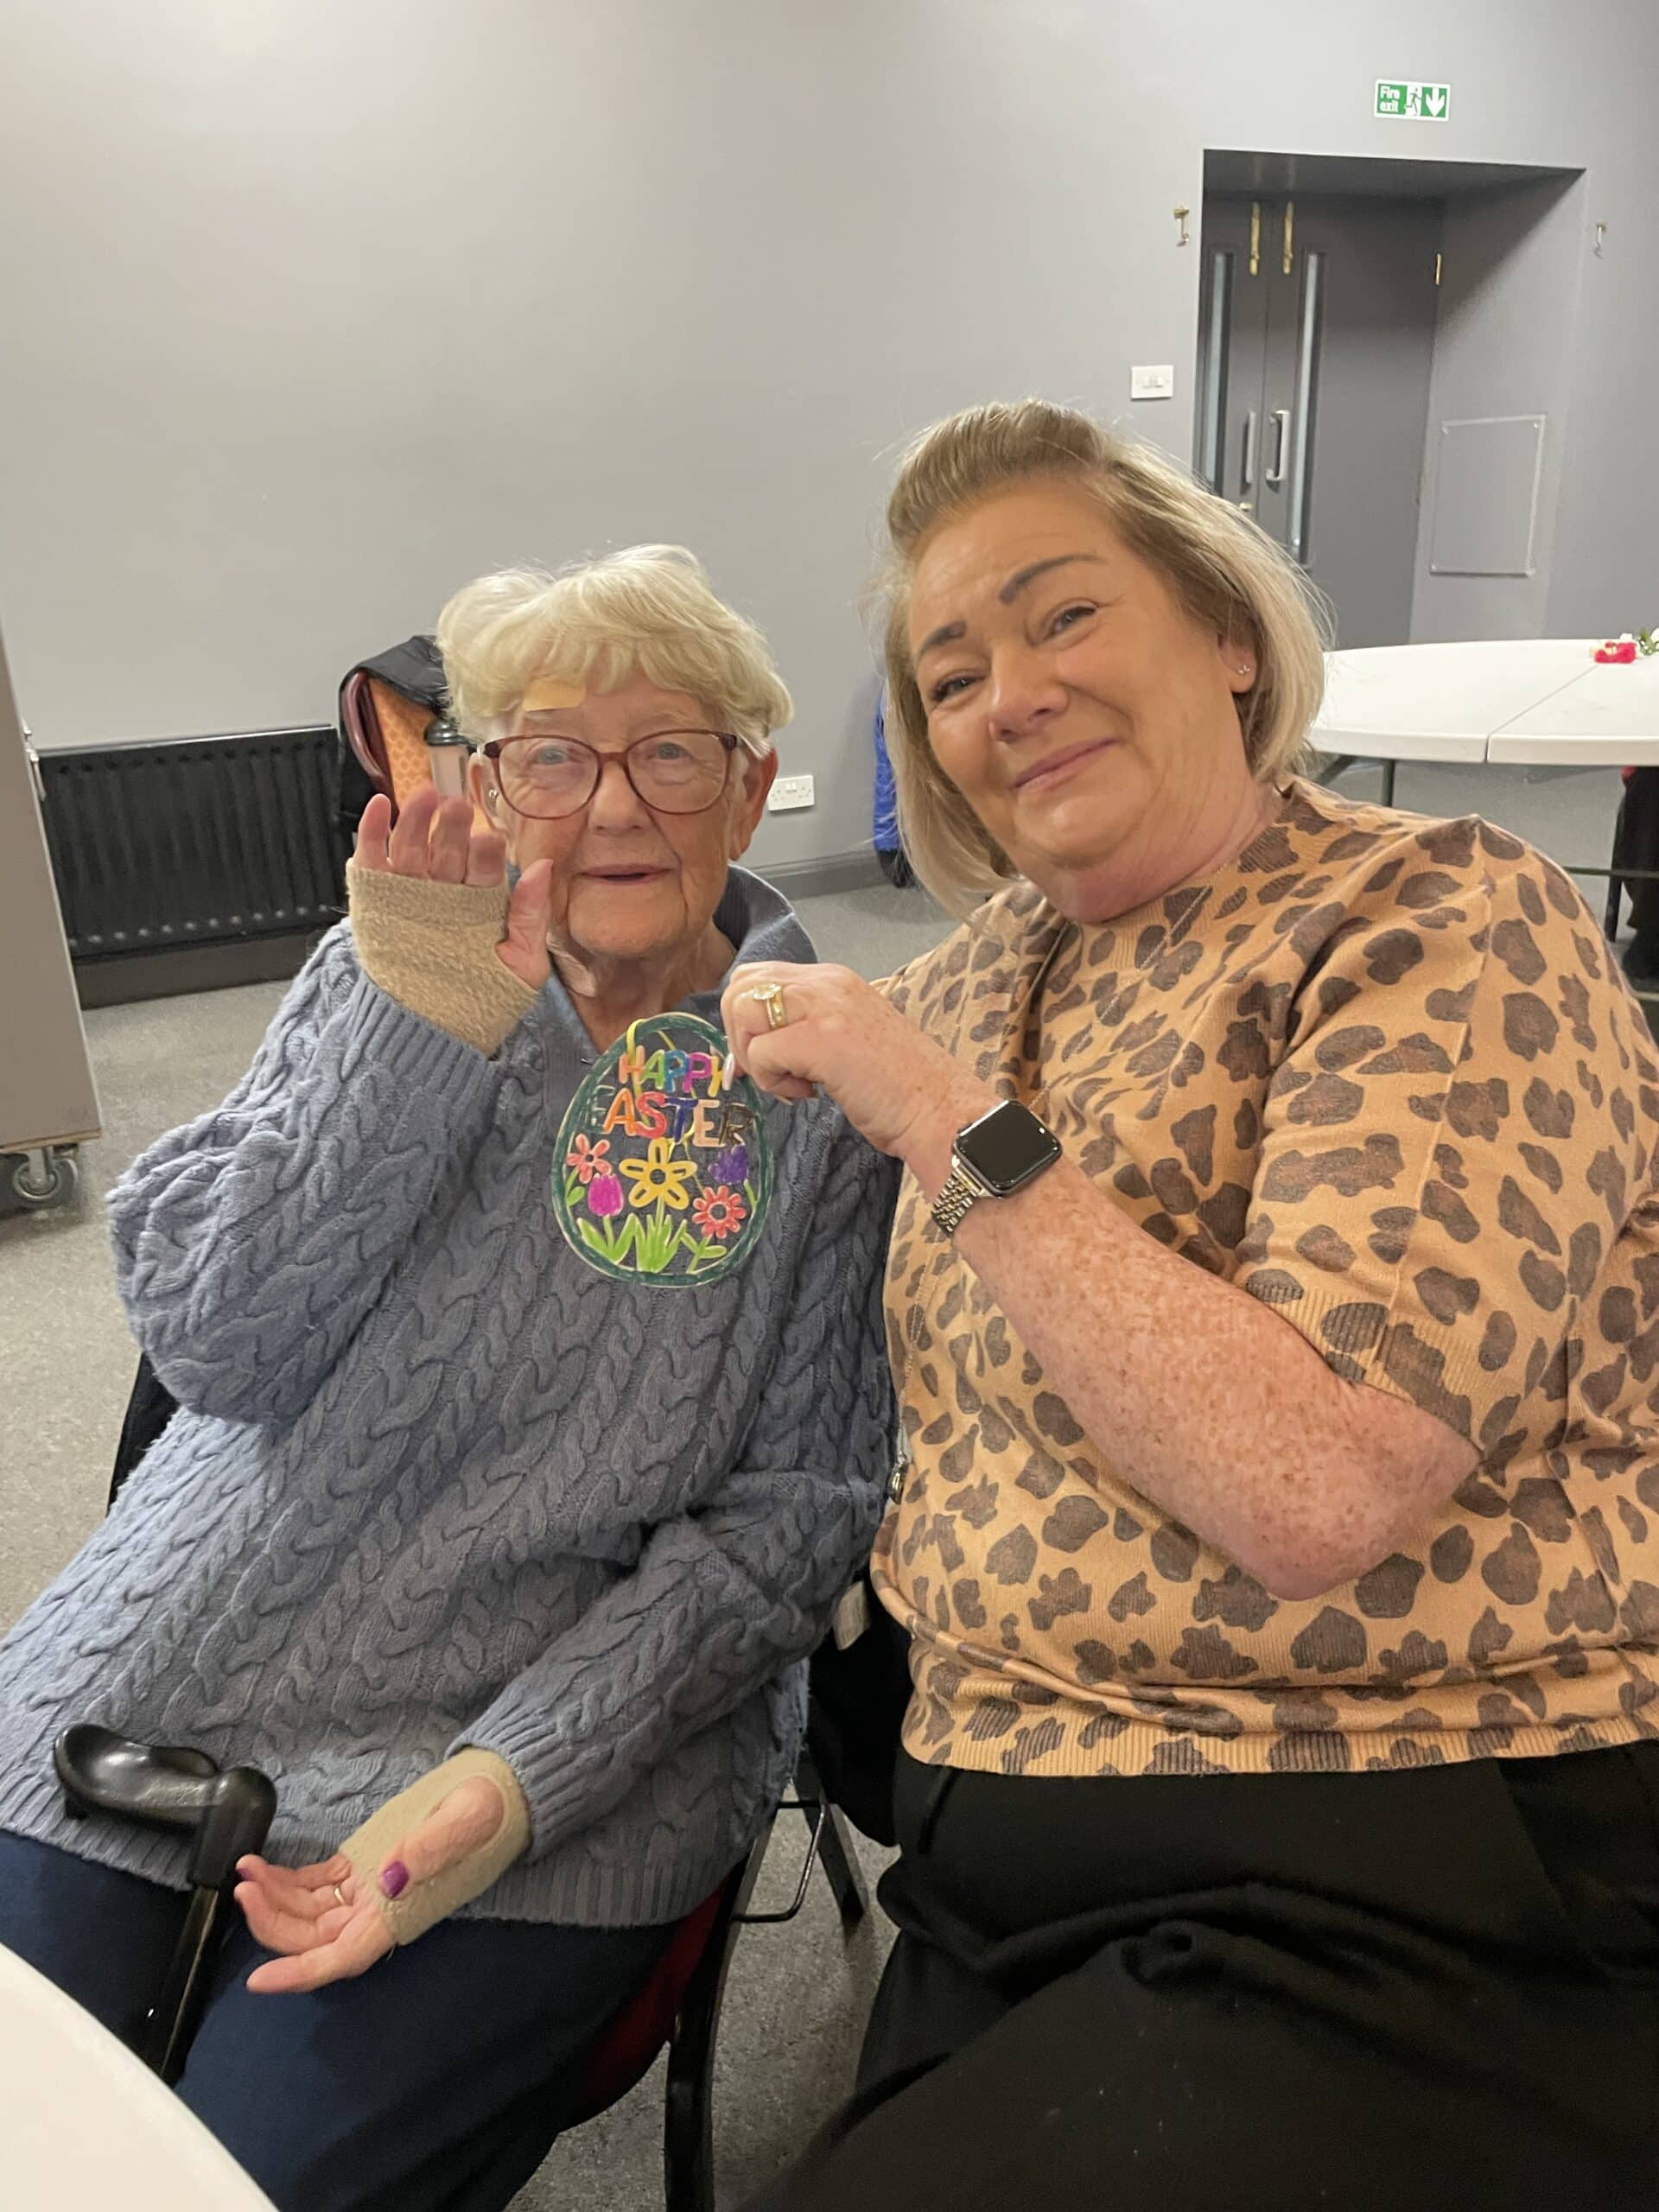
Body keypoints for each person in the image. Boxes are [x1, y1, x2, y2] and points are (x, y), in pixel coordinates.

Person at [721, 403, 1659, 2210]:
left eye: (1066, 615)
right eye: (955, 670)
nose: (1012, 692)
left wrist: (940, 1118)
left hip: (1387, 1822)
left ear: (1229, 634)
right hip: (1004, 1826)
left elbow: (1313, 1484)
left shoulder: (1435, 918)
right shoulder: (985, 969)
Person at [0, 546, 894, 2212]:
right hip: (183, 1647)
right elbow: (218, 1343)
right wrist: (419, 1021)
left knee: (236, 2187)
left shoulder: (825, 1079)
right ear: (489, 782)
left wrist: (496, 1791)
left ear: (754, 785)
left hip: (536, 1746)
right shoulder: (394, 959)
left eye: (673, 750)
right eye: (552, 753)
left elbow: (786, 1532)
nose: (612, 804)